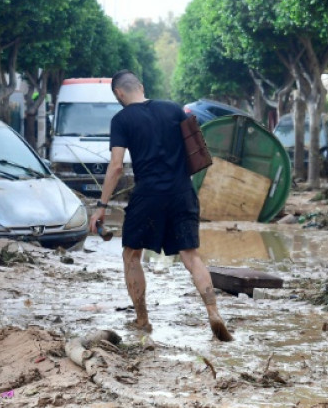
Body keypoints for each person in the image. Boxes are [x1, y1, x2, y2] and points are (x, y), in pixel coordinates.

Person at [89, 70, 233, 342]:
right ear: (141, 87)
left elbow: (116, 166)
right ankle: (213, 312)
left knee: (132, 255)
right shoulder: (174, 109)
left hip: (148, 195)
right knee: (192, 257)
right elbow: (197, 150)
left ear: (119, 94)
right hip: (182, 191)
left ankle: (142, 320)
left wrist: (101, 206)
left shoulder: (121, 119)